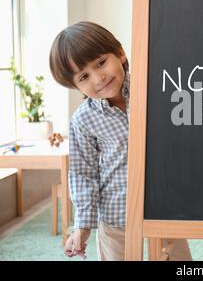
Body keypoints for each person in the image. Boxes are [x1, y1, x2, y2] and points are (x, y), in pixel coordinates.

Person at [49, 21, 192, 261]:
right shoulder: (83, 120)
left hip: (165, 210)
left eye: (101, 63)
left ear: (120, 53)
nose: (98, 77)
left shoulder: (157, 90)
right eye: (84, 76)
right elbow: (83, 174)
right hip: (116, 220)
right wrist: (82, 226)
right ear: (76, 85)